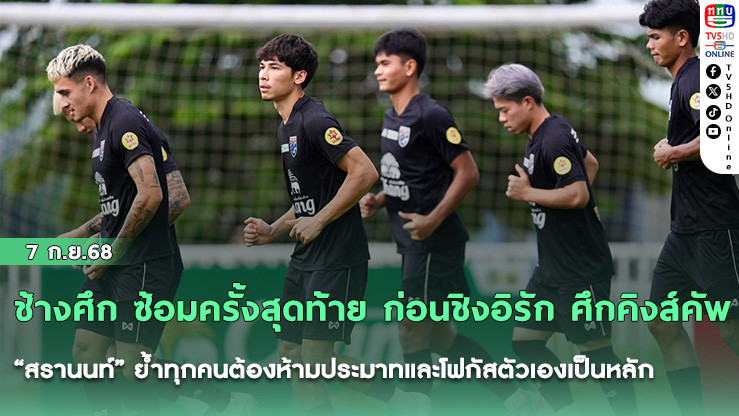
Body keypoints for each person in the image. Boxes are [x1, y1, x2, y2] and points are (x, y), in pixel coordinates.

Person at [47, 45, 252, 416]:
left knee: (133, 368)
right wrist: (85, 230)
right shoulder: (104, 127)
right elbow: (170, 197)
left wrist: (116, 248)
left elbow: (153, 195)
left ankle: (226, 402)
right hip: (114, 259)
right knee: (86, 352)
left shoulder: (125, 121)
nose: (61, 103)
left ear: (89, 84)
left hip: (143, 265)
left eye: (64, 92)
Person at [244, 33, 430, 416]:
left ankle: (404, 401)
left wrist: (320, 220)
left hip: (338, 258)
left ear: (299, 76)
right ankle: (396, 400)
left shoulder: (315, 119)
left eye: (274, 68)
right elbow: (310, 200)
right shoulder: (286, 126)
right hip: (306, 257)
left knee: (315, 361)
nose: (263, 75)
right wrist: (273, 230)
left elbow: (365, 172)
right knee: (291, 353)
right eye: (262, 67)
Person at [359, 28, 539, 413]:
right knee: (440, 336)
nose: (378, 70)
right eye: (377, 64)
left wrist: (431, 219)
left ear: (410, 67)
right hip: (413, 240)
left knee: (410, 325)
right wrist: (380, 198)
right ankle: (518, 398)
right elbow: (411, 175)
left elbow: (468, 172)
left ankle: (416, 404)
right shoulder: (391, 115)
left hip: (433, 242)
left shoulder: (432, 115)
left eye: (385, 63)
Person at [483, 63, 638, 415]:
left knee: (596, 354)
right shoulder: (545, 133)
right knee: (525, 343)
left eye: (505, 110)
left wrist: (528, 193)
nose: (501, 119)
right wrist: (560, 212)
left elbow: (578, 194)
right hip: (551, 269)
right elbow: (590, 164)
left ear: (527, 102)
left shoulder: (552, 138)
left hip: (580, 269)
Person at [640, 0, 739, 414]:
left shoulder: (697, 77)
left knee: (731, 330)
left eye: (655, 37)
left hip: (715, 227)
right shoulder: (680, 82)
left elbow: (722, 134)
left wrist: (673, 152)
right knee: (660, 320)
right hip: (683, 232)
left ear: (682, 37)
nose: (649, 45)